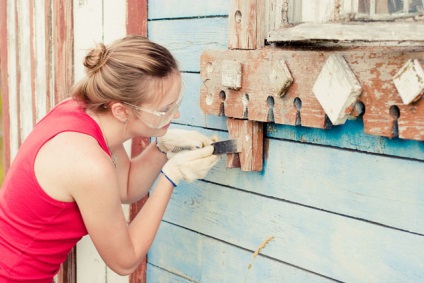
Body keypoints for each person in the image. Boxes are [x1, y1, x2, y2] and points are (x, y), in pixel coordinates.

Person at [0, 35, 220, 282]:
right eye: (164, 110)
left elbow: (125, 186)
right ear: (121, 110)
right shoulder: (89, 164)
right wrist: (171, 177)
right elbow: (124, 261)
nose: (176, 113)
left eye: (175, 103)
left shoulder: (86, 113)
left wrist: (162, 150)